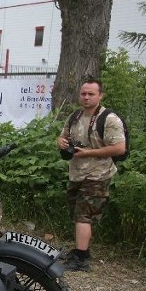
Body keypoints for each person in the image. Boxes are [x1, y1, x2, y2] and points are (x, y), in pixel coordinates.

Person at [56, 79, 126, 272]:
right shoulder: (75, 116)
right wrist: (61, 142)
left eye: (91, 94)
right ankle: (81, 251)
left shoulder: (109, 119)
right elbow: (63, 136)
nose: (86, 97)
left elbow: (120, 148)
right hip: (76, 172)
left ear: (100, 95)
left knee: (83, 216)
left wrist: (88, 153)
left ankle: (81, 258)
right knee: (77, 213)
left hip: (97, 174)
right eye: (83, 93)